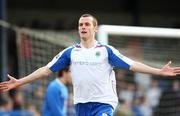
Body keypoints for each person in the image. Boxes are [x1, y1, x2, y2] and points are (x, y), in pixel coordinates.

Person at [0, 14, 180, 116]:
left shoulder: (106, 51)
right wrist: (19, 82)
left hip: (104, 104)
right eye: (80, 24)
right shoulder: (70, 52)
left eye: (87, 24)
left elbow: (132, 65)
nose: (83, 27)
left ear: (95, 28)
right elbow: (46, 70)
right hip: (82, 105)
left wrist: (159, 71)